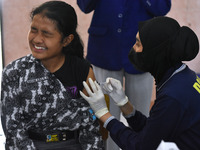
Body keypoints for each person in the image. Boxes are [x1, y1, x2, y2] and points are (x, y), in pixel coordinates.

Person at [80, 16, 200, 150]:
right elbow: (153, 131)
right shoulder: (182, 77)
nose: (134, 48)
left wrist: (104, 114)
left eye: (138, 44)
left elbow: (141, 146)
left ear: (155, 51)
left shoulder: (173, 96)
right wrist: (124, 104)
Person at [1, 1, 104, 150]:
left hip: (73, 145)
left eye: (46, 34)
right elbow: (14, 131)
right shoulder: (14, 72)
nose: (37, 39)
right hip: (32, 146)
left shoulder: (82, 70)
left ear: (67, 40)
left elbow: (91, 126)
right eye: (34, 30)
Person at [77, 1, 171, 149]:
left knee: (140, 116)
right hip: (104, 50)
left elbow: (161, 8)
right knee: (104, 116)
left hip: (143, 51)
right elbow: (85, 6)